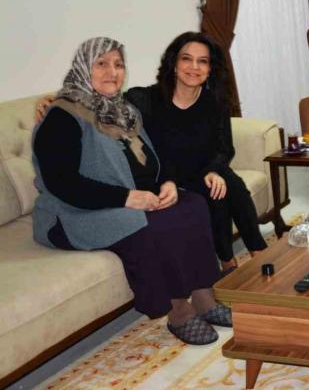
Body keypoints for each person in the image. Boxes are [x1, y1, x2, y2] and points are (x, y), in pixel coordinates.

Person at [32, 37, 231, 345]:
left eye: (118, 64)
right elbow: (62, 184)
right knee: (150, 222)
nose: (112, 72)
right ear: (84, 67)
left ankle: (205, 299)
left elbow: (155, 155)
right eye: (101, 64)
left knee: (191, 204)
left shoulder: (123, 110)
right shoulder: (62, 116)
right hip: (70, 213)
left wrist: (166, 183)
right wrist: (127, 198)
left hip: (120, 198)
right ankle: (178, 310)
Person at [125, 32, 272, 270]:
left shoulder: (215, 101)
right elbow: (106, 103)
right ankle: (233, 260)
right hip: (168, 176)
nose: (194, 67)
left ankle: (252, 254)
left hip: (204, 170)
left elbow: (225, 147)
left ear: (210, 69)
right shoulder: (146, 99)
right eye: (186, 59)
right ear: (174, 64)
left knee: (226, 185)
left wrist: (214, 170)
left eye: (202, 61)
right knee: (222, 189)